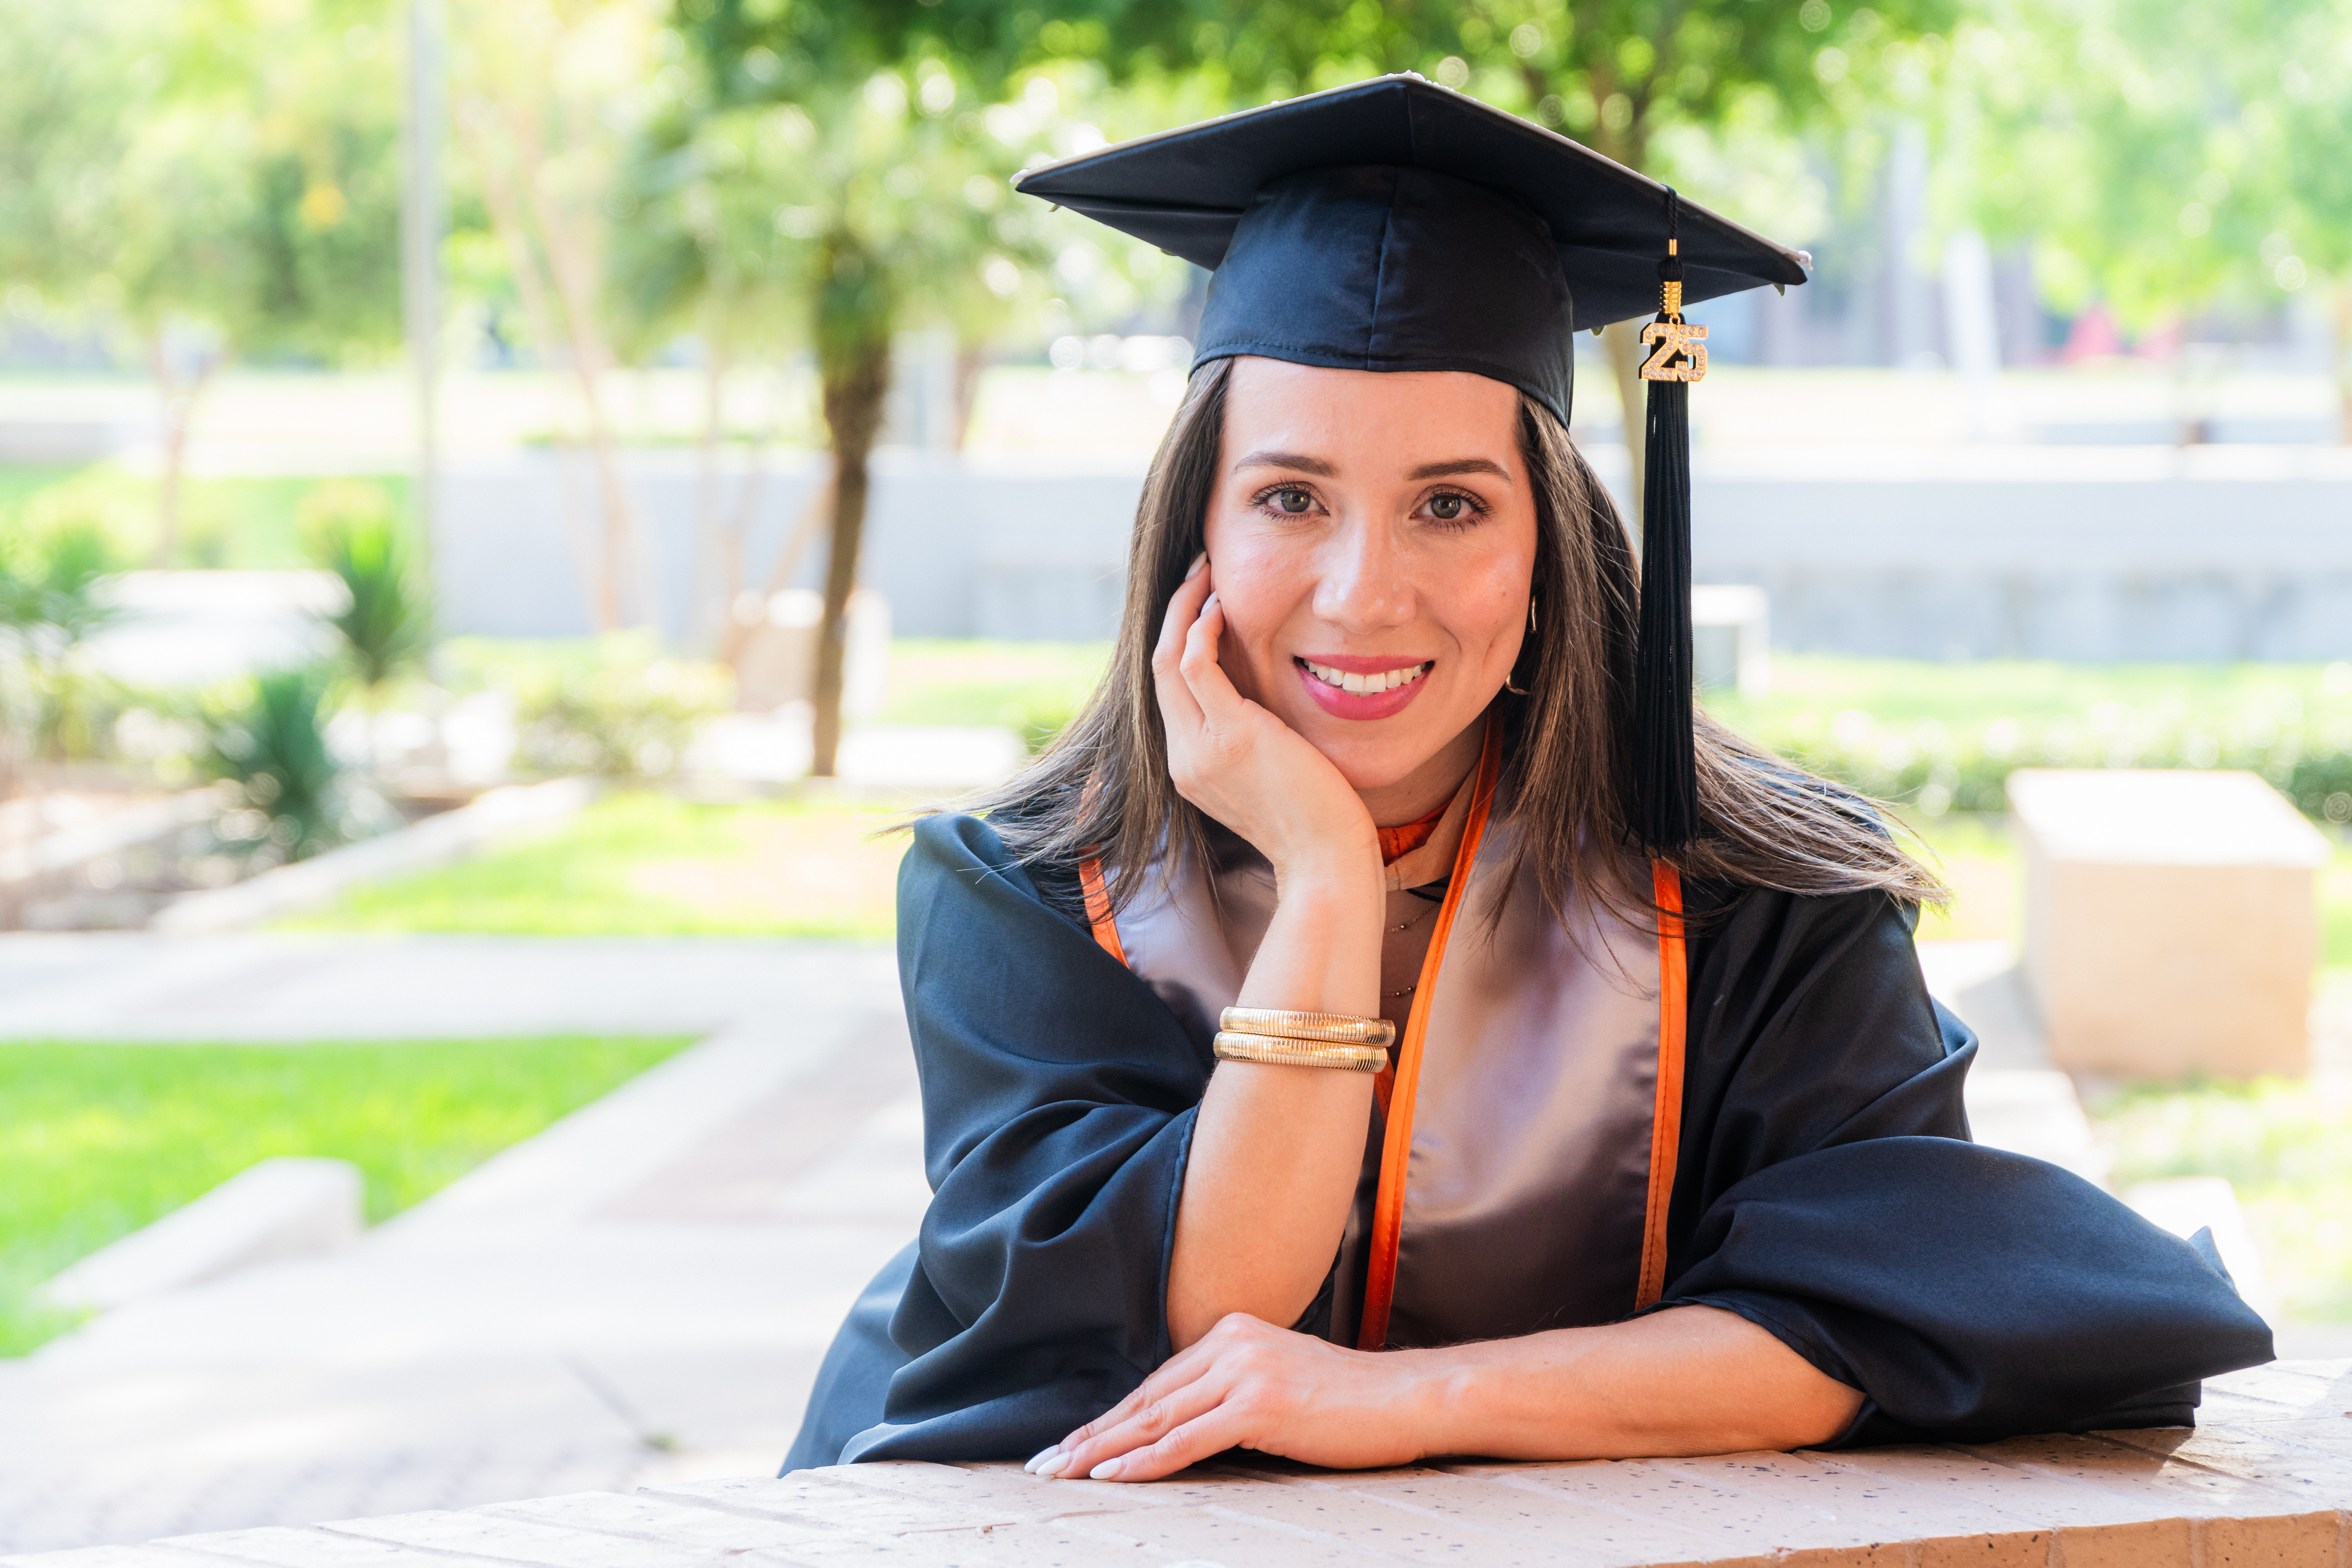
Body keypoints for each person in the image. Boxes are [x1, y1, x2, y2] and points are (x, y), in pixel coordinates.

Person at [784, 75, 2270, 1481]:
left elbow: (1881, 1311)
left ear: (1550, 548)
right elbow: (1199, 1305)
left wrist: (1413, 1399)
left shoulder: (1755, 900)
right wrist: (1321, 872)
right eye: (1291, 496)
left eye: (1451, 504)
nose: (1367, 594)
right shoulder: (1032, 893)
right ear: (1196, 535)